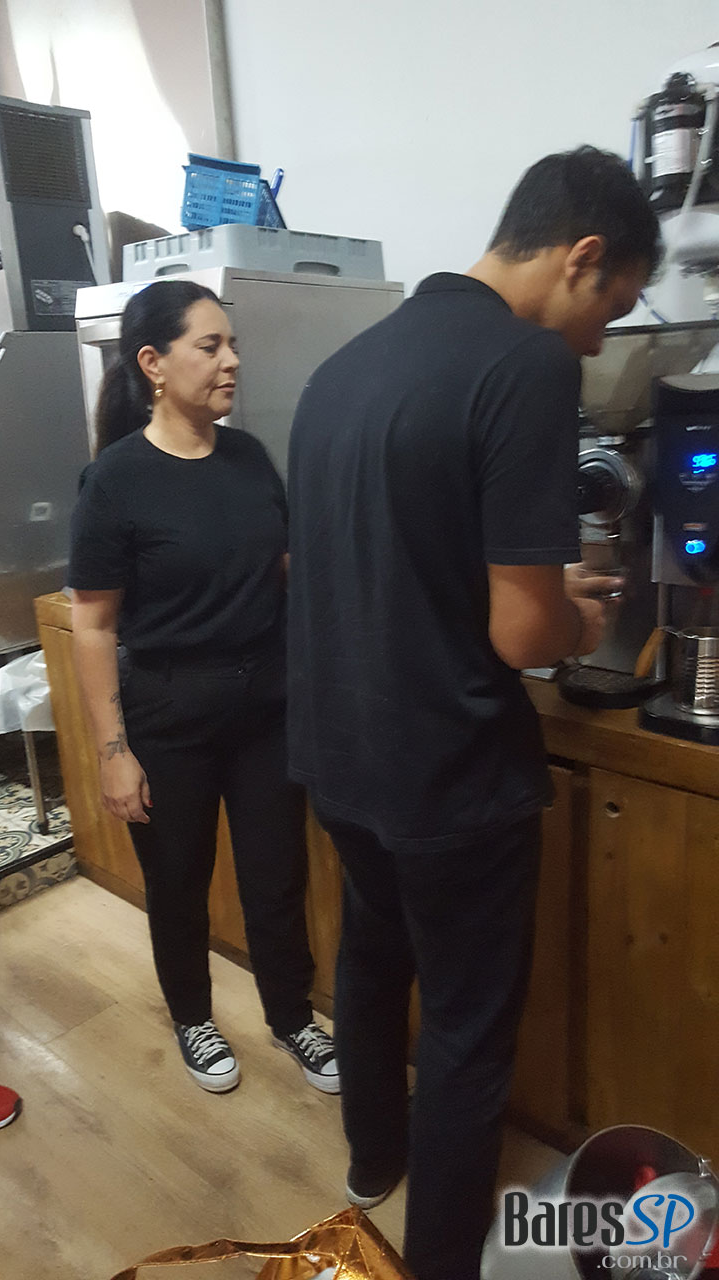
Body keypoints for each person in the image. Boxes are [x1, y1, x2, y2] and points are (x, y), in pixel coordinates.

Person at [286, 146, 661, 1279]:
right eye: (612, 311)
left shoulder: (346, 366)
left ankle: (371, 1161)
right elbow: (519, 636)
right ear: (581, 257)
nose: (596, 343)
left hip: (337, 753)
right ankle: (441, 1261)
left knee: (369, 953)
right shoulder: (526, 364)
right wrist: (574, 618)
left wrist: (540, 589)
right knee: (464, 1025)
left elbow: (378, 562)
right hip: (448, 771)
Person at [69, 280, 338, 1096]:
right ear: (153, 364)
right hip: (169, 714)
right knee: (179, 884)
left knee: (276, 877)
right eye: (211, 346)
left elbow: (290, 573)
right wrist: (113, 752)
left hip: (266, 711)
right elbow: (93, 626)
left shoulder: (249, 458)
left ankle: (292, 1016)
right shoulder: (115, 479)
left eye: (233, 345)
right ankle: (192, 1015)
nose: (232, 362)